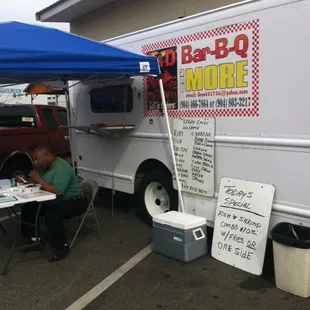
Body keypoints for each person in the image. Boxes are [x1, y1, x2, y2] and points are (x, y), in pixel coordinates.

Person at [17, 146, 88, 262]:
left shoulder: (62, 168)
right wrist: (24, 180)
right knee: (29, 207)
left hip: (74, 200)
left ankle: (61, 247)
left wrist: (39, 179)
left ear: (47, 156)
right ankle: (33, 239)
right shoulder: (44, 167)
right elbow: (35, 180)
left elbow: (57, 191)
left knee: (53, 214)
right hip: (55, 199)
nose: (35, 162)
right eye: (34, 159)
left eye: (37, 159)